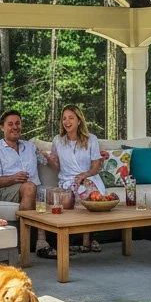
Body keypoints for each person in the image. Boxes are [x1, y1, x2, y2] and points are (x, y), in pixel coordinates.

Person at [0, 109, 54, 258]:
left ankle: (55, 242)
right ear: (2, 127)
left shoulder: (30, 147)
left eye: (18, 123)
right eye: (10, 124)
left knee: (58, 194)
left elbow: (48, 160)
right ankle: (24, 247)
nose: (15, 127)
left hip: (33, 188)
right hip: (7, 190)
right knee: (30, 188)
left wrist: (51, 154)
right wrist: (14, 178)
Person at [46, 104, 105, 253]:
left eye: (71, 118)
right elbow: (56, 166)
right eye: (64, 118)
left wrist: (84, 175)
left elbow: (96, 165)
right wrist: (49, 159)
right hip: (67, 180)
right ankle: (85, 240)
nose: (67, 122)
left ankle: (87, 239)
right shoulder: (58, 140)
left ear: (79, 120)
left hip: (89, 176)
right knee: (77, 193)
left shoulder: (91, 139)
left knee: (89, 191)